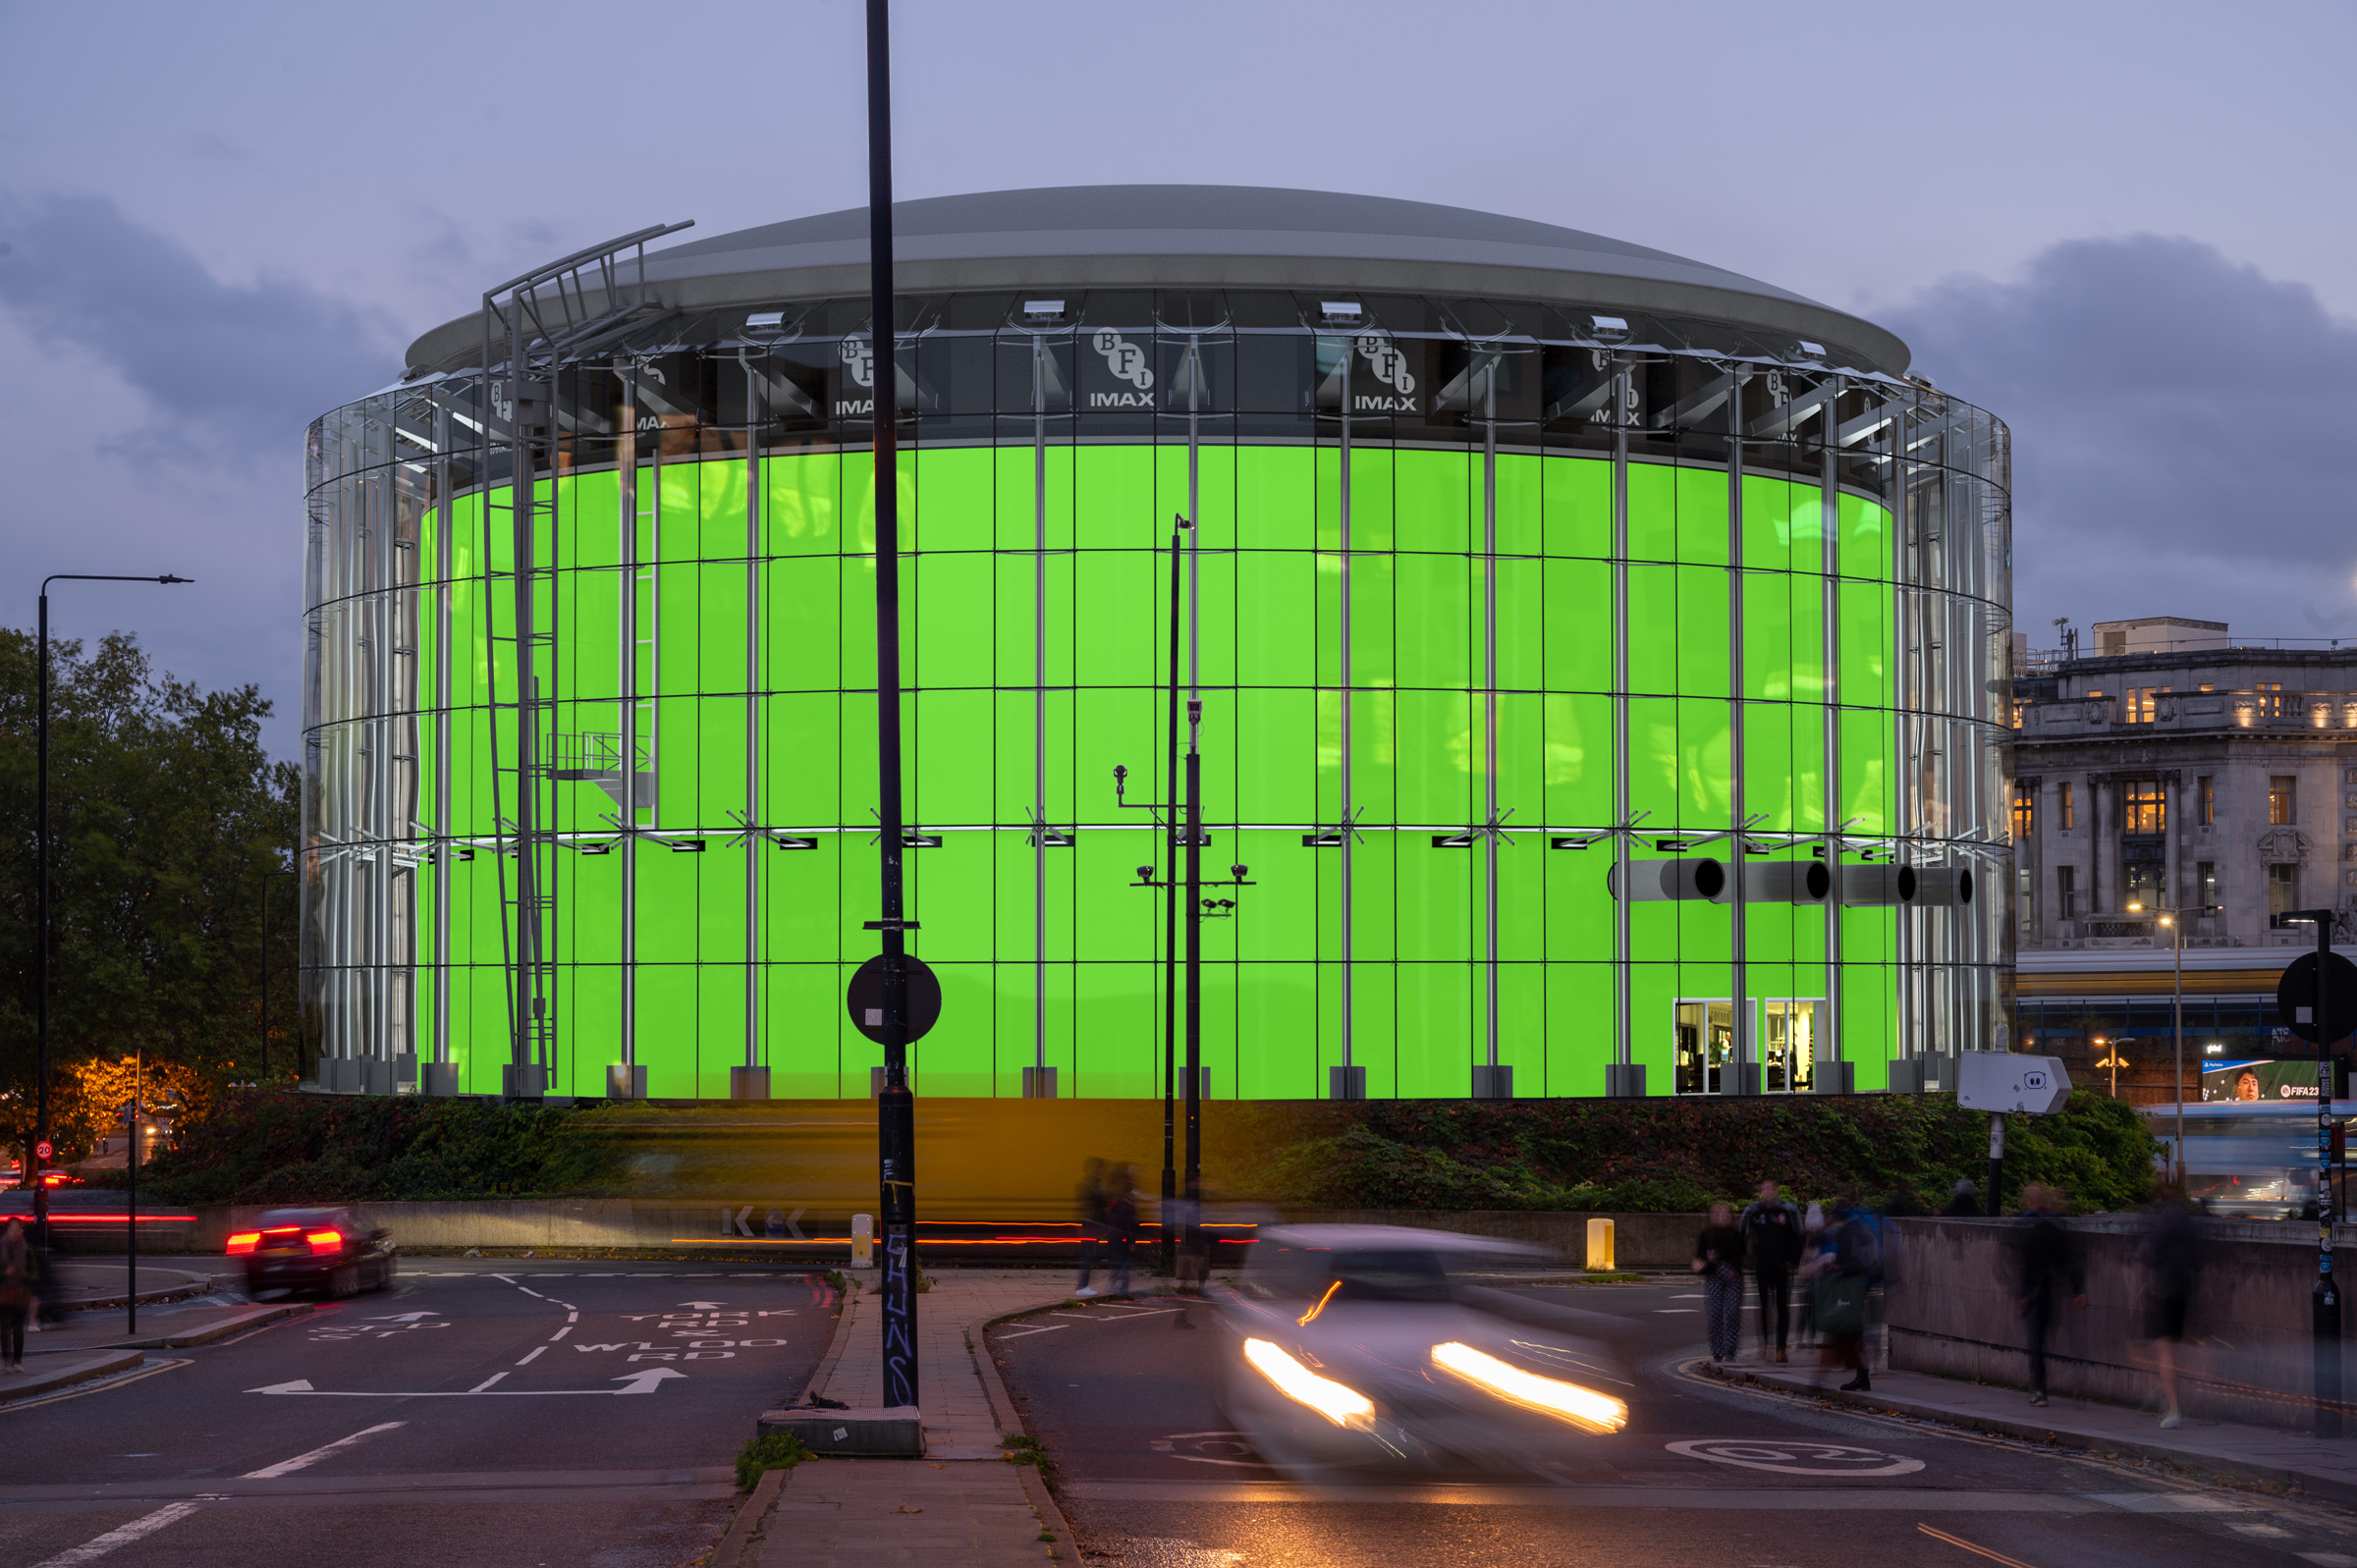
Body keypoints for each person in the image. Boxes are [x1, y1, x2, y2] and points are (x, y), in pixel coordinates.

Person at [2012, 1183, 2086, 1407]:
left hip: (2035, 1293)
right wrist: (2077, 1290)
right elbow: (2069, 1261)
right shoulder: (2056, 1227)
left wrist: (2023, 1296)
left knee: (2036, 1344)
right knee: (2057, 1341)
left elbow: (2026, 1265)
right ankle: (2077, 1390)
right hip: (2055, 1292)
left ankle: (2040, 1390)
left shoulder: (2028, 1225)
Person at [2141, 1183, 2200, 1429]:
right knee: (2171, 1348)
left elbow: (2152, 1254)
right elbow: (2198, 1255)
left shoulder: (2163, 1220)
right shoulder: (2186, 1220)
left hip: (2165, 1288)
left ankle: (2173, 1408)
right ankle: (2166, 1394)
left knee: (2164, 1349)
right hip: (2184, 1288)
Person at [1814, 1195, 1876, 1392]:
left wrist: (1837, 1267)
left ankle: (1821, 1377)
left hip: (1851, 1288)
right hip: (1858, 1285)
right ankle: (1861, 1377)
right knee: (1850, 1334)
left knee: (1841, 1331)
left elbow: (1856, 1262)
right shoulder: (1858, 1228)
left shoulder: (1847, 1233)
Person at [1738, 1179, 1803, 1363]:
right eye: (1765, 1189)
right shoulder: (1754, 1211)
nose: (1768, 1192)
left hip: (1782, 1266)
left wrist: (1796, 1261)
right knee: (1764, 1305)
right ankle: (1764, 1344)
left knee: (1783, 1307)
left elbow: (1798, 1236)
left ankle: (1781, 1348)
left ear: (1776, 1191)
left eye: (1771, 1188)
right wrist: (1746, 1255)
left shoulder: (1788, 1211)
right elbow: (1742, 1233)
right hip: (1762, 1265)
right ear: (1761, 1191)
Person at [1693, 1202, 1745, 1363]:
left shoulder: (1735, 1233)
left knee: (1732, 1313)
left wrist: (1734, 1269)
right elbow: (1699, 1255)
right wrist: (1708, 1259)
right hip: (1713, 1275)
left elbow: (1741, 1254)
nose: (1721, 1217)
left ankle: (1731, 1349)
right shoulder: (1706, 1234)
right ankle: (1716, 1350)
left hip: (1733, 1277)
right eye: (1718, 1214)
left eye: (1725, 1214)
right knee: (1715, 1314)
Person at [1103, 1163, 1139, 1299]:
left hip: (1114, 1238)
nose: (1135, 1196)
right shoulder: (1126, 1207)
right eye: (1133, 1193)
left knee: (1118, 1263)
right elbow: (1126, 1226)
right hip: (1121, 1239)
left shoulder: (1119, 1205)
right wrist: (1130, 1242)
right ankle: (1123, 1291)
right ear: (1128, 1194)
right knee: (1125, 1265)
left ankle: (1112, 1285)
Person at [1072, 1157, 1108, 1298]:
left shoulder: (1096, 1184)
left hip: (1094, 1223)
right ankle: (1082, 1286)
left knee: (1090, 1253)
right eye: (1097, 1168)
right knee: (1088, 1253)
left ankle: (1083, 1285)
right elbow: (1081, 1205)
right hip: (1088, 1222)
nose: (1099, 1170)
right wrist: (1079, 1224)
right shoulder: (1086, 1185)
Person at [1794, 1200, 1826, 1349]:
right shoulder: (1806, 1243)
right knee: (1807, 1312)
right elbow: (1801, 1267)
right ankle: (1802, 1340)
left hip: (1814, 1281)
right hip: (1809, 1281)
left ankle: (1806, 1340)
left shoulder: (1815, 1241)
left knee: (1811, 1313)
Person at [0, 1218, 29, 1374]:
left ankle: (17, 1361)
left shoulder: (26, 1247)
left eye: (18, 1228)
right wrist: (4, 1273)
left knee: (18, 1328)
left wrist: (25, 1275)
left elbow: (35, 1272)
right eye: (12, 1228)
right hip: (3, 1292)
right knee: (4, 1328)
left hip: (20, 1292)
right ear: (7, 1229)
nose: (15, 1231)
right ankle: (6, 1361)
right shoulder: (1, 1246)